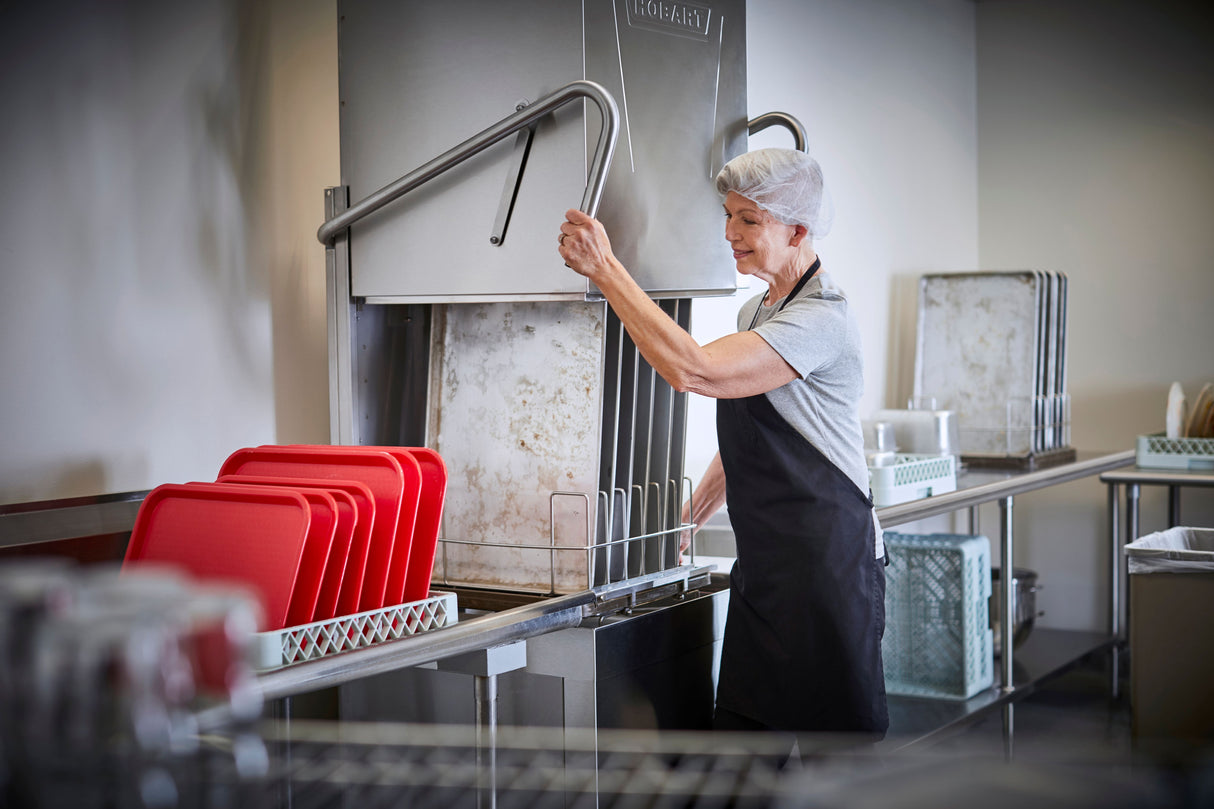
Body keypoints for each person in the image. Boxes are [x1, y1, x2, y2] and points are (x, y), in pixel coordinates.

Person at [557, 147, 887, 741]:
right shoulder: (756, 310)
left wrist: (606, 269)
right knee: (744, 746)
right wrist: (687, 519)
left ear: (798, 230)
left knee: (832, 760)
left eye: (750, 221)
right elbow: (757, 436)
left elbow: (697, 372)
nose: (730, 233)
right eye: (729, 216)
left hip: (824, 571)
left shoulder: (822, 319)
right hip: (767, 568)